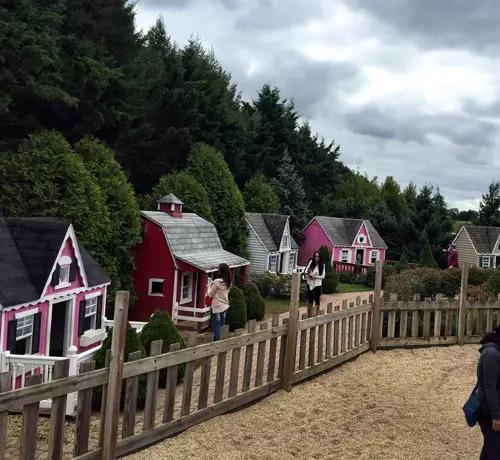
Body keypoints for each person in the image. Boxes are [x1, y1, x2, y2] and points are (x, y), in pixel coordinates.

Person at [477, 325, 500, 458]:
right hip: (489, 411)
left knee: (490, 449)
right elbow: (489, 387)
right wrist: (496, 417)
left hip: (492, 407)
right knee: (495, 452)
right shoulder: (493, 355)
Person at [206, 263, 231, 341]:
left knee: (216, 329)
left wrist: (208, 287)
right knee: (222, 328)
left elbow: (210, 295)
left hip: (216, 307)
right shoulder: (228, 282)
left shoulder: (217, 282)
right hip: (224, 306)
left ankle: (216, 346)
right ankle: (222, 344)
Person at [305, 251, 325, 317]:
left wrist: (315, 276)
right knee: (310, 299)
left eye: (318, 256)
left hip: (317, 284)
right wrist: (310, 275)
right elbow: (306, 271)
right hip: (310, 283)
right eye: (315, 256)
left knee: (317, 299)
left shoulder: (322, 265)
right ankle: (309, 314)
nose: (316, 258)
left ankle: (316, 314)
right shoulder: (311, 262)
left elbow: (323, 276)